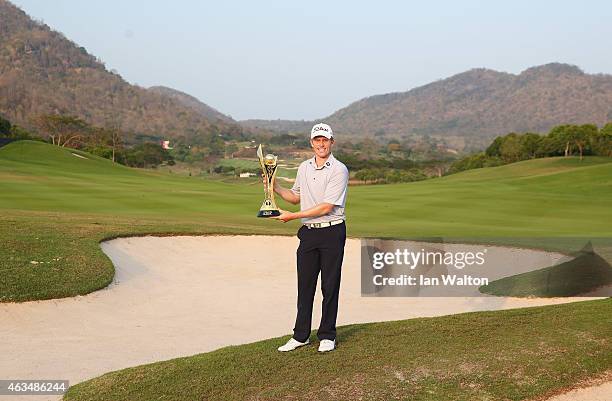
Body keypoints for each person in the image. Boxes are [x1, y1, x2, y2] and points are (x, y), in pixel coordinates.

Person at [271, 122, 349, 353]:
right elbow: (295, 196)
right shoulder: (304, 167)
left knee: (329, 285)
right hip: (309, 234)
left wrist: (293, 216)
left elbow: (326, 207)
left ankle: (327, 335)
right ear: (311, 143)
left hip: (332, 231)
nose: (321, 144)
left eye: (325, 140)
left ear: (332, 142)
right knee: (305, 286)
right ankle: (301, 335)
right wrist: (274, 187)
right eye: (317, 140)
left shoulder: (338, 169)